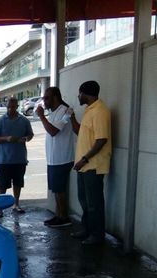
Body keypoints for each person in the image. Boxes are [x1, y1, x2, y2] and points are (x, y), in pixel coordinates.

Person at [69, 80, 112, 245]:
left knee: (94, 203)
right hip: (83, 166)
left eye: (79, 93)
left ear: (85, 93)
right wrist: (72, 118)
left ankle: (97, 235)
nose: (78, 96)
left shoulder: (100, 111)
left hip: (93, 165)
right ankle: (87, 229)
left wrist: (85, 159)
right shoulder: (89, 110)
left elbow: (101, 140)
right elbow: (80, 132)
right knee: (85, 201)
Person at [36, 87, 76, 228]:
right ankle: (59, 215)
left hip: (62, 158)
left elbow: (53, 131)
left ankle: (64, 217)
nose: (44, 101)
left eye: (46, 98)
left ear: (55, 97)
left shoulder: (66, 111)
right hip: (53, 159)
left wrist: (41, 116)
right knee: (55, 189)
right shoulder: (54, 112)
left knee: (60, 189)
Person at [0, 97, 34, 217]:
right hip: (3, 160)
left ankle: (16, 204)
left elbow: (30, 134)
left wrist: (26, 138)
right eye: (9, 107)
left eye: (13, 107)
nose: (11, 109)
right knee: (2, 185)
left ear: (17, 107)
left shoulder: (24, 121)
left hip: (20, 159)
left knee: (18, 183)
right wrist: (6, 138)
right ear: (6, 107)